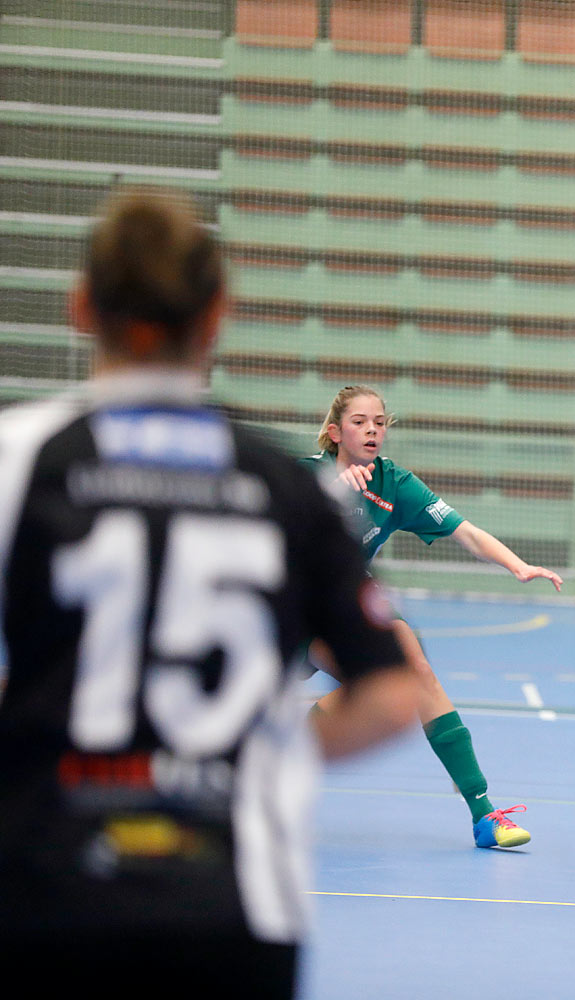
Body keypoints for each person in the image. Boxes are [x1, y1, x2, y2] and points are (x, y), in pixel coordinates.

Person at [0, 187, 420, 997]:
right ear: (217, 314)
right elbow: (392, 693)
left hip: (47, 886)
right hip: (233, 906)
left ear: (81, 306)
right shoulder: (282, 486)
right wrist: (262, 757)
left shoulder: (23, 457)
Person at [302, 386, 563, 850]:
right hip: (288, 607)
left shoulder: (395, 484)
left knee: (416, 672)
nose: (372, 430)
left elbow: (467, 533)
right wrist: (322, 498)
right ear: (334, 432)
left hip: (342, 608)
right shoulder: (306, 477)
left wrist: (517, 565)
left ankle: (485, 815)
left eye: (380, 422)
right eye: (360, 421)